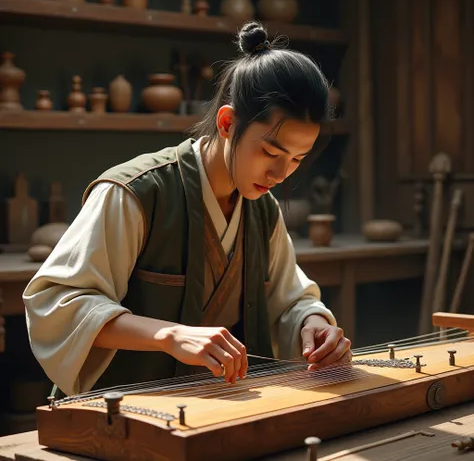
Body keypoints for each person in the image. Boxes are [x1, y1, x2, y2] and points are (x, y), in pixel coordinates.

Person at [23, 21, 352, 397]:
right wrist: (169, 334)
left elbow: (289, 300)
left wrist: (312, 322)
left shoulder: (262, 210)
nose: (280, 173)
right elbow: (58, 303)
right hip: (123, 412)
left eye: (296, 159)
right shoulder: (137, 192)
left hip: (216, 409)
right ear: (227, 123)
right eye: (270, 152)